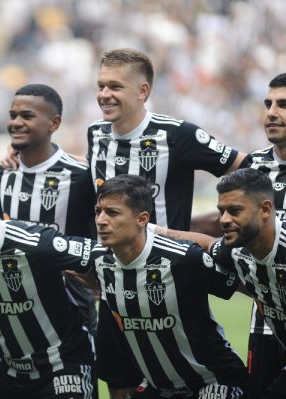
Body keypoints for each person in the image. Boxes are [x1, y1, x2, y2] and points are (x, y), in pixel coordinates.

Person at [86, 48, 246, 399]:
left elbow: (246, 168)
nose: (104, 94)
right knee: (120, 379)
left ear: (142, 91)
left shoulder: (177, 135)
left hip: (173, 276)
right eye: (100, 85)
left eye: (115, 86)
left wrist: (221, 220)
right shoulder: (95, 135)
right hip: (116, 279)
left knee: (193, 369)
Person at [87, 174, 247, 398]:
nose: (101, 220)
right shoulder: (100, 261)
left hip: (214, 382)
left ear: (142, 219)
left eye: (112, 213)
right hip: (158, 390)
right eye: (98, 211)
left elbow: (246, 286)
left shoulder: (183, 259)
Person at [0, 171, 95, 399]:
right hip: (9, 368)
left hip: (62, 363)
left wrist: (94, 281)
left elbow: (102, 253)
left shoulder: (34, 243)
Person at [0, 83, 98, 395]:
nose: (16, 122)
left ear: (54, 124)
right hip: (17, 323)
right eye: (13, 115)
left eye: (27, 115)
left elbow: (98, 246)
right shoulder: (5, 174)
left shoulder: (81, 176)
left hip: (70, 323)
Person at [159, 168, 286, 398]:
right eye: (222, 211)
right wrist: (152, 231)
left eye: (235, 211)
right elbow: (207, 244)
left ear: (266, 209)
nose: (225, 220)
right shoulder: (237, 252)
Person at [237, 73, 286, 398]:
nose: (271, 112)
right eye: (268, 103)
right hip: (265, 323)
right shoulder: (254, 167)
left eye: (283, 105)